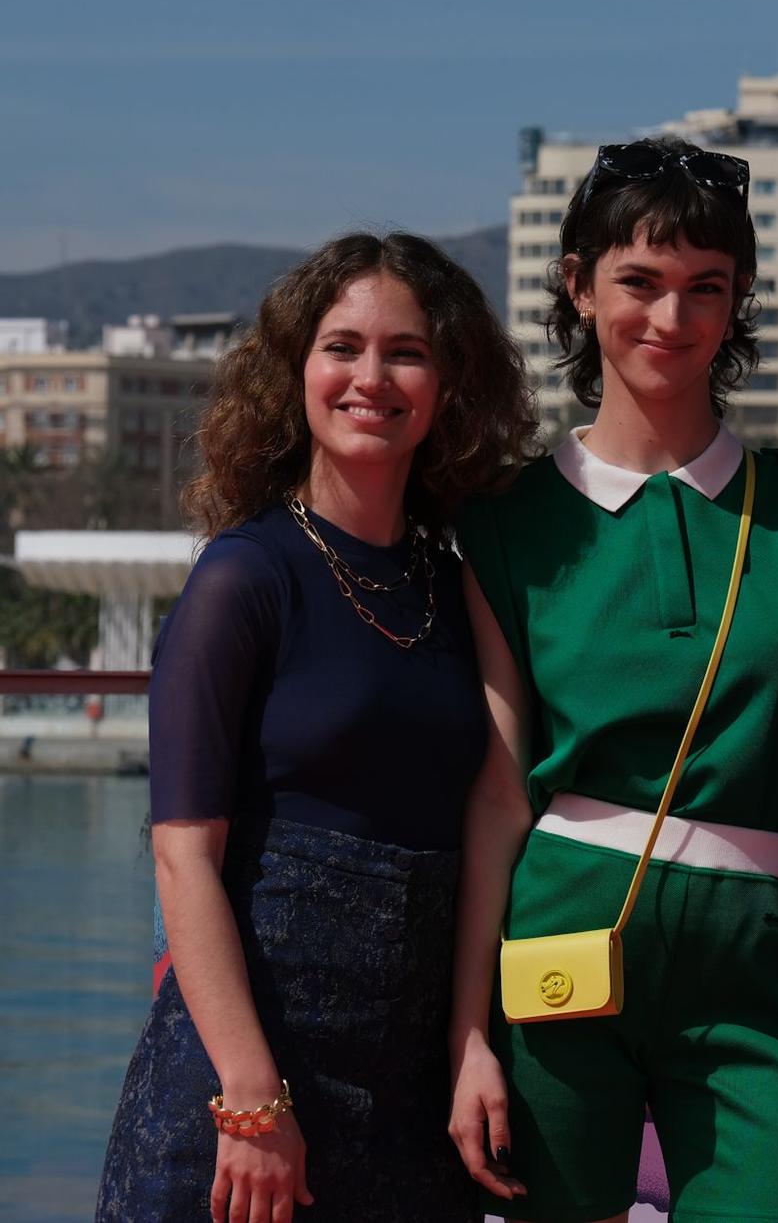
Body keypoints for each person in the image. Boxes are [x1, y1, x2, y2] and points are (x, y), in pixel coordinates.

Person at [97, 232, 538, 1223]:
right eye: (342, 346)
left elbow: (490, 816)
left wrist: (471, 1042)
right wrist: (252, 1100)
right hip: (245, 1092)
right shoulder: (243, 578)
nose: (369, 378)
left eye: (406, 352)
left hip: (413, 1099)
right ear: (296, 369)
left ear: (449, 382)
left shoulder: (459, 584)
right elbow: (182, 858)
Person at [445, 137, 778, 1223]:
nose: (670, 318)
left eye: (704, 289)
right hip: (563, 927)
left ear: (738, 301)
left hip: (766, 950)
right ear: (577, 286)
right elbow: (496, 797)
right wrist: (468, 1032)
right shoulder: (503, 523)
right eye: (638, 282)